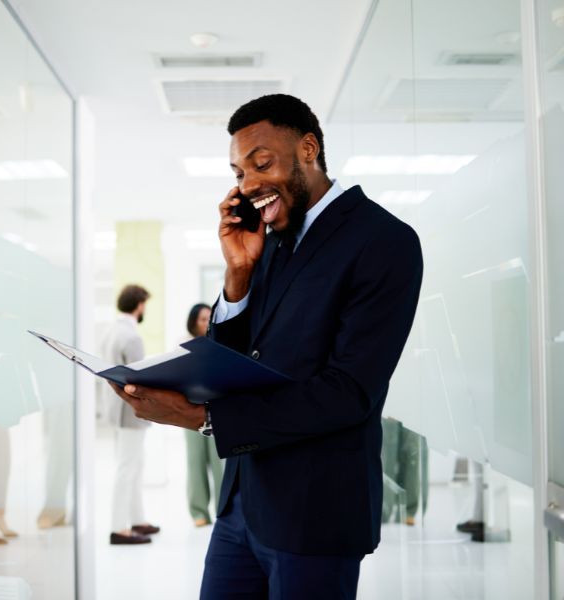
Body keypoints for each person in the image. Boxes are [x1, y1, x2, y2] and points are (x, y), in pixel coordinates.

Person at [109, 94, 423, 598]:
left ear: (308, 148)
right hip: (241, 505)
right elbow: (238, 358)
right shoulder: (270, 241)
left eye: (261, 164)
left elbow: (348, 392)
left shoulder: (383, 240)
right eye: (238, 174)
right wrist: (237, 274)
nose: (249, 184)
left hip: (314, 516)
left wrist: (202, 418)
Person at [99, 284, 161, 545]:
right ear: (139, 305)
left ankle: (137, 519)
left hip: (117, 411)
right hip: (131, 412)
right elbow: (140, 379)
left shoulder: (111, 331)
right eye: (144, 303)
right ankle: (118, 528)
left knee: (134, 465)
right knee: (128, 467)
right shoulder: (132, 337)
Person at [182, 303, 224, 527]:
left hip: (218, 409)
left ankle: (221, 510)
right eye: (202, 319)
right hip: (191, 410)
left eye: (210, 318)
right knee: (195, 462)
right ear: (193, 323)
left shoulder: (220, 345)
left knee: (220, 462)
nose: (207, 322)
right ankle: (198, 512)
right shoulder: (185, 347)